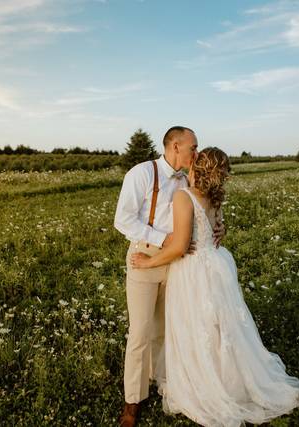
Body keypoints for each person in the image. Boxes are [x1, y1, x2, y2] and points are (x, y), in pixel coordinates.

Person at [131, 147, 299, 426]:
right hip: (217, 263)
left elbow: (179, 247)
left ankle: (208, 381)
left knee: (197, 323)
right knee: (219, 325)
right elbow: (215, 226)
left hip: (194, 269)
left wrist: (146, 263)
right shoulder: (213, 196)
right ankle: (230, 375)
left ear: (196, 168)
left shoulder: (183, 197)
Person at [113, 127, 224, 427]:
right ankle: (132, 401)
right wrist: (166, 241)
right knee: (140, 332)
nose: (197, 152)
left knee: (166, 328)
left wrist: (217, 227)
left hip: (181, 265)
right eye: (193, 146)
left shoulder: (192, 176)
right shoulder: (141, 173)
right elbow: (122, 220)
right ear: (176, 146)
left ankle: (162, 382)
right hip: (146, 256)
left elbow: (206, 208)